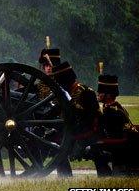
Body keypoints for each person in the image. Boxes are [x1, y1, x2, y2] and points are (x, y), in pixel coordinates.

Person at [51, 61, 105, 175]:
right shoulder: (65, 93)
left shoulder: (86, 92)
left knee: (60, 143)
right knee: (53, 140)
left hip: (88, 131)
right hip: (71, 130)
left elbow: (89, 117)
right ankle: (64, 175)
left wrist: (70, 104)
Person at [36, 45, 72, 176]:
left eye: (50, 65)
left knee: (56, 146)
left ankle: (62, 175)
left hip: (61, 121)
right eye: (46, 65)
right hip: (44, 121)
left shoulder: (63, 84)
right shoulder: (39, 84)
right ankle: (38, 171)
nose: (48, 67)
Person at [93, 74, 138, 175]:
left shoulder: (113, 112)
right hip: (122, 143)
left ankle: (105, 176)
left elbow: (118, 136)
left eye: (100, 92)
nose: (98, 93)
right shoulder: (112, 107)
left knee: (94, 148)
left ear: (108, 95)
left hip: (125, 147)